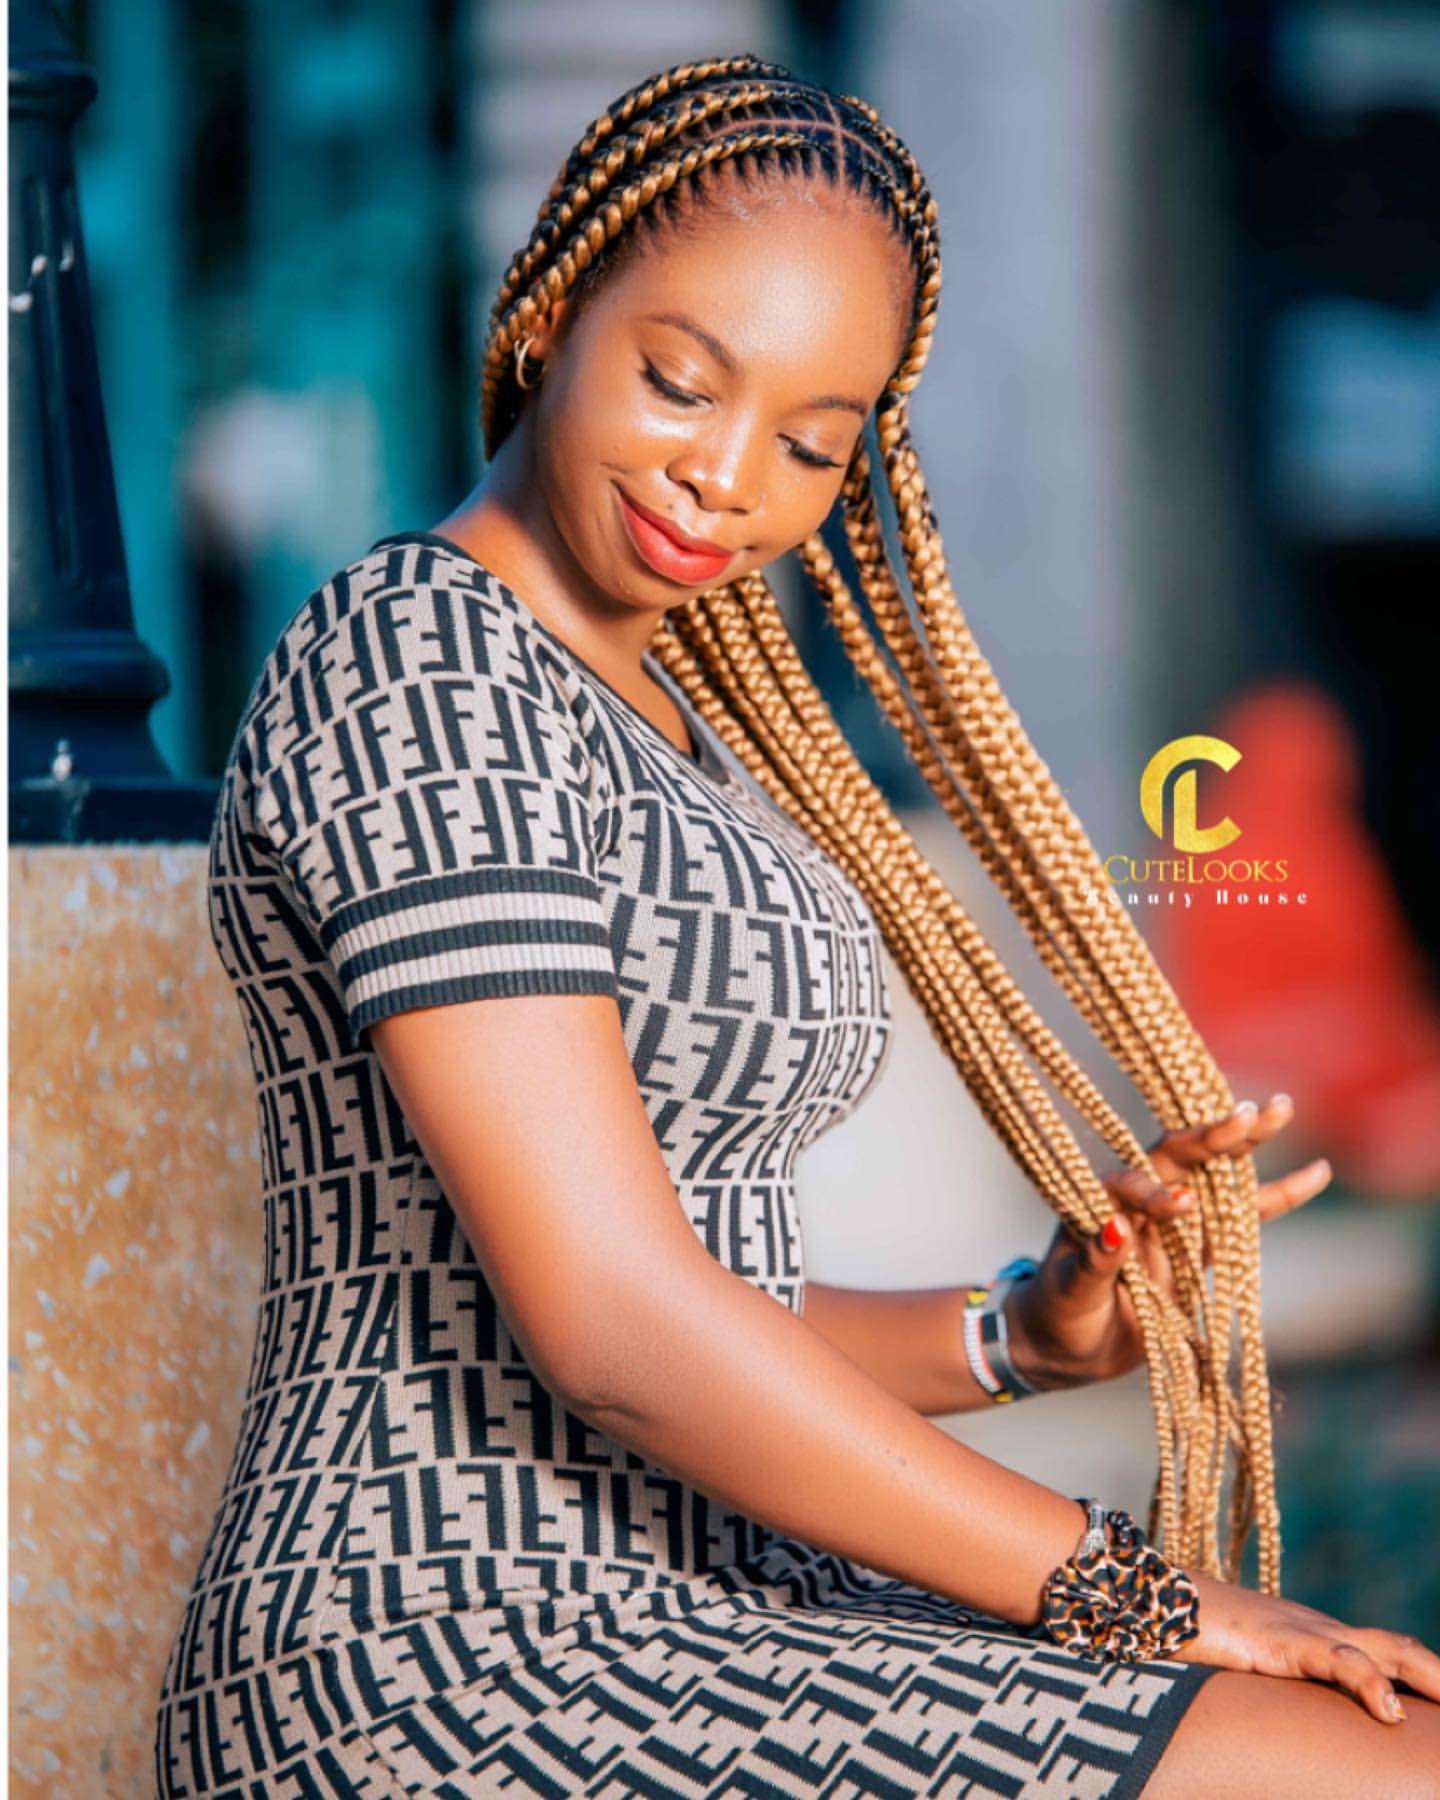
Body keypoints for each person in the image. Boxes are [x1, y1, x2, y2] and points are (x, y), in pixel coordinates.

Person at [154, 55, 1440, 1799]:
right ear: (551, 310)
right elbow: (616, 1326)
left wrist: (1013, 1333)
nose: (725, 477)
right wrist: (1135, 1591)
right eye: (682, 382)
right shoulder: (419, 664)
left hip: (730, 1602)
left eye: (811, 443)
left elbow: (706, 1281)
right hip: (449, 1645)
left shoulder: (676, 729)